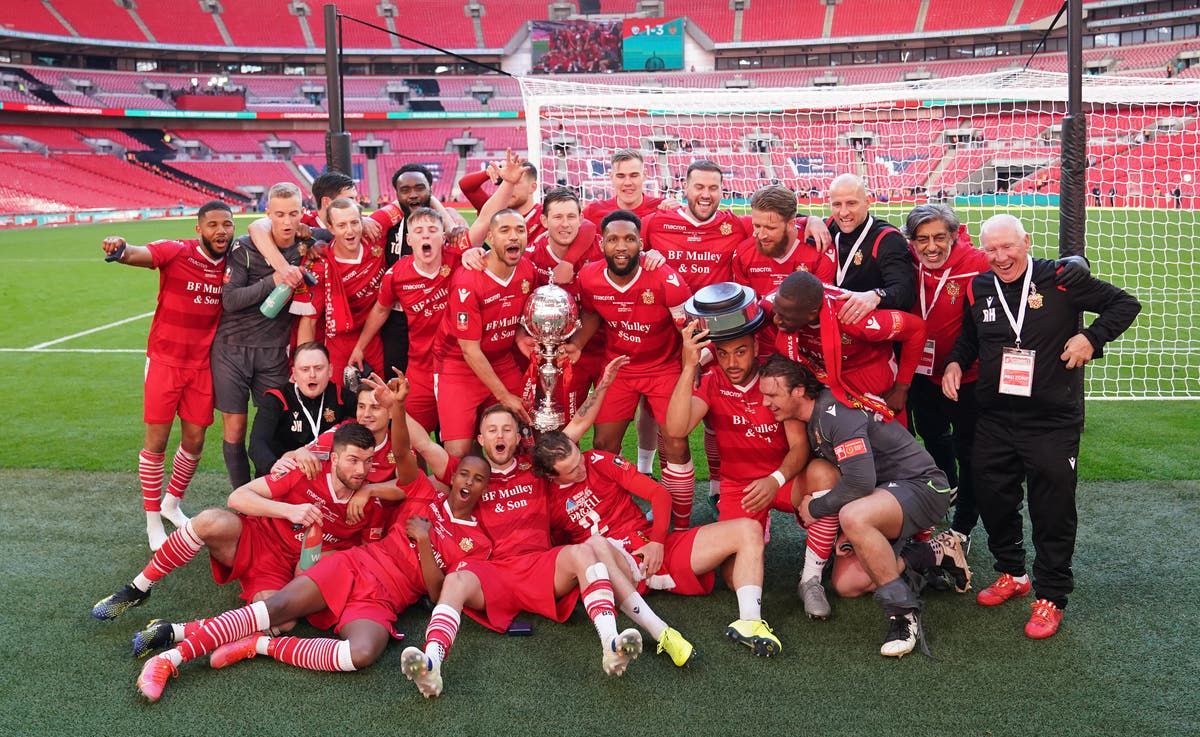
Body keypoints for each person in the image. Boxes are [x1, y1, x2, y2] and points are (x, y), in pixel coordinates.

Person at [133, 383, 491, 703]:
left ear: (485, 489)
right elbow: (404, 452)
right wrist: (396, 407)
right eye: (463, 474)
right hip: (354, 566)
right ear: (451, 476)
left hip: (386, 598)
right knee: (275, 609)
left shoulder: (478, 542)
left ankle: (257, 645)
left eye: (477, 480)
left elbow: (437, 592)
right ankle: (168, 658)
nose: (468, 483)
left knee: (362, 654)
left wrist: (424, 542)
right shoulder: (424, 492)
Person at [398, 360, 662, 698]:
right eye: (492, 430)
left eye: (507, 429)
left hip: (541, 566)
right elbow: (424, 444)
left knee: (583, 552)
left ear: (518, 435)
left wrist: (605, 384)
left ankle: (611, 644)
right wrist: (396, 407)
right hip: (495, 572)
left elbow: (580, 423)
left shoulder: (536, 465)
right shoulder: (469, 473)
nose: (500, 435)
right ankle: (432, 665)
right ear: (480, 438)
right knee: (456, 580)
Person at [942, 214, 1140, 639]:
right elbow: (971, 337)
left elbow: (1125, 304)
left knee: (1052, 509)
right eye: (991, 250)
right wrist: (956, 362)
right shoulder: (979, 287)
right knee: (993, 498)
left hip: (1051, 420)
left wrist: (1092, 338)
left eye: (1008, 247)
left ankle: (1051, 596)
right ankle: (1012, 572)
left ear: (1027, 242)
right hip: (994, 417)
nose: (1000, 257)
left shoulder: (1061, 279)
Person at [758, 355, 963, 658]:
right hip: (885, 493)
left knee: (853, 516)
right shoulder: (815, 413)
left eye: (772, 395)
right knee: (848, 585)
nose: (765, 402)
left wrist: (816, 508)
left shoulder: (834, 413)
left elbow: (860, 483)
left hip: (923, 486)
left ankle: (903, 615)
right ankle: (933, 551)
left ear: (798, 390)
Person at [92, 423, 386, 627]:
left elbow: (362, 556)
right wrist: (289, 510)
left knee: (281, 623)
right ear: (333, 458)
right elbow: (238, 497)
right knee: (209, 520)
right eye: (352, 460)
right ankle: (139, 588)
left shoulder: (370, 505)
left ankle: (178, 631)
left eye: (368, 461)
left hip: (285, 571)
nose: (361, 469)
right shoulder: (306, 471)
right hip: (256, 539)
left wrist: (320, 559)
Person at [533, 431, 782, 658]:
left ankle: (750, 622)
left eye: (579, 459)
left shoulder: (597, 460)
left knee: (748, 529)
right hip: (617, 570)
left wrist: (657, 542)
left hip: (649, 547)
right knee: (594, 543)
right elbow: (562, 557)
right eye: (572, 470)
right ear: (551, 476)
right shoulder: (546, 502)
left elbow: (659, 494)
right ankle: (661, 631)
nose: (581, 468)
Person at [100, 201, 234, 550]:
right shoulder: (177, 251)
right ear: (199, 229)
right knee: (156, 442)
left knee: (195, 441)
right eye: (213, 225)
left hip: (202, 366)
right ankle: (152, 523)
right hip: (164, 362)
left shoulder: (234, 261)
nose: (221, 231)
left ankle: (171, 504)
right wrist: (120, 247)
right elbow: (137, 254)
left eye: (227, 224)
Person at [569, 210, 696, 528]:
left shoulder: (666, 279)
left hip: (663, 367)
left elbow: (688, 332)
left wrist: (688, 374)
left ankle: (679, 522)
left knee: (676, 441)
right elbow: (592, 314)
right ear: (602, 244)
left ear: (641, 243)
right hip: (619, 368)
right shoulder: (589, 278)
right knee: (603, 445)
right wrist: (577, 343)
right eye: (613, 239)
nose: (621, 246)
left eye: (629, 239)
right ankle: (616, 515)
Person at [211, 182, 310, 489]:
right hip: (232, 350)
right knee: (235, 428)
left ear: (302, 213)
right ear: (268, 214)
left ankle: (270, 492)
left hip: (273, 352)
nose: (287, 221)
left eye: (293, 213)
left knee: (276, 426)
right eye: (279, 214)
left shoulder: (307, 247)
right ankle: (242, 497)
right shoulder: (245, 248)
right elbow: (230, 300)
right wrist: (273, 280)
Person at [350, 207, 460, 434]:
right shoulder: (397, 274)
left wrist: (473, 249)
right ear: (409, 240)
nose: (426, 235)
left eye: (432, 230)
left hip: (458, 366)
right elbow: (381, 309)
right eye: (419, 231)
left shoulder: (460, 261)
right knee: (410, 438)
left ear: (443, 237)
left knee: (460, 442)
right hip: (420, 369)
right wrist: (360, 347)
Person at [770, 270, 926, 422]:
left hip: (872, 381)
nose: (776, 320)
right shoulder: (782, 304)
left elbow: (917, 330)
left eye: (785, 318)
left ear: (811, 314)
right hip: (824, 381)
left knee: (888, 436)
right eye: (776, 312)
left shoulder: (855, 318)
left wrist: (901, 388)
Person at [294, 198, 387, 385]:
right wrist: (303, 365)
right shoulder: (321, 264)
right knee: (338, 399)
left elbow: (409, 201)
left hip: (373, 339)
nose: (350, 231)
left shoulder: (376, 238)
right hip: (338, 344)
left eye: (354, 223)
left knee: (377, 399)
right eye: (342, 225)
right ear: (330, 228)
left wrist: (448, 222)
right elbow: (309, 321)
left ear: (362, 221)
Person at [247, 342, 349, 478]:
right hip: (286, 473)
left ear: (330, 370)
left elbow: (370, 424)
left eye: (319, 368)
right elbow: (257, 443)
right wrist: (273, 464)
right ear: (294, 373)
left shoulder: (342, 396)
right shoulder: (277, 399)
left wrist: (379, 402)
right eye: (305, 369)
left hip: (327, 476)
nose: (312, 375)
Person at [824, 173, 916, 323]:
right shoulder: (827, 228)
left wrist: (876, 296)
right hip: (833, 322)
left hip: (872, 328)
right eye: (837, 204)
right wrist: (811, 221)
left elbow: (906, 292)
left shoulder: (888, 238)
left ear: (867, 202)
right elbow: (791, 221)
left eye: (851, 203)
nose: (844, 212)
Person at [733, 184, 836, 298]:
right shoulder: (743, 253)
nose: (761, 235)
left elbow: (823, 301)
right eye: (757, 226)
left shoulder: (820, 249)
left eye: (770, 228)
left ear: (791, 224)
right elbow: (746, 304)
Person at [581, 149, 665, 227]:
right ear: (611, 176)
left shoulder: (663, 209)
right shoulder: (592, 212)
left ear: (644, 175)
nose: (627, 183)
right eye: (620, 176)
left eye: (634, 175)